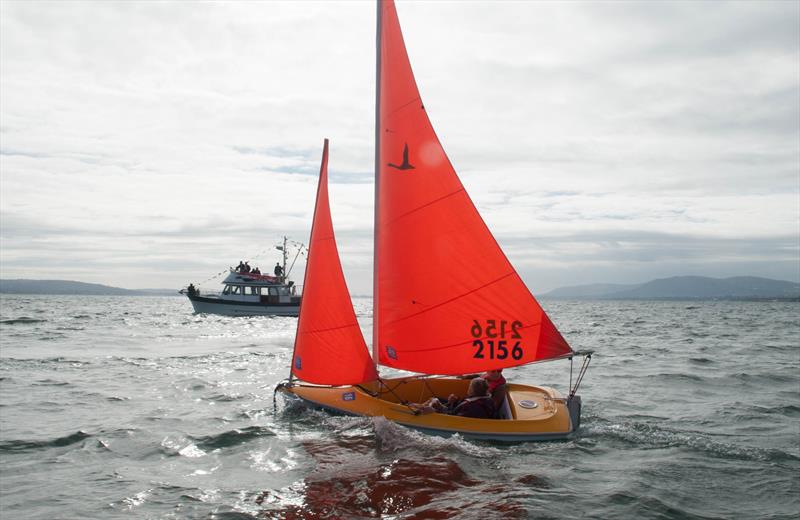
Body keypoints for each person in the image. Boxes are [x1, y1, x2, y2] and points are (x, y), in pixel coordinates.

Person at [410, 378, 495, 419]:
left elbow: (456, 419)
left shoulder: (474, 407)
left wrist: (435, 411)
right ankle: (414, 406)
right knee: (434, 399)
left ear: (472, 390)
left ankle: (410, 407)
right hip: (454, 413)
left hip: (454, 419)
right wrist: (455, 401)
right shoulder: (486, 399)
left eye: (470, 387)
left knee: (434, 403)